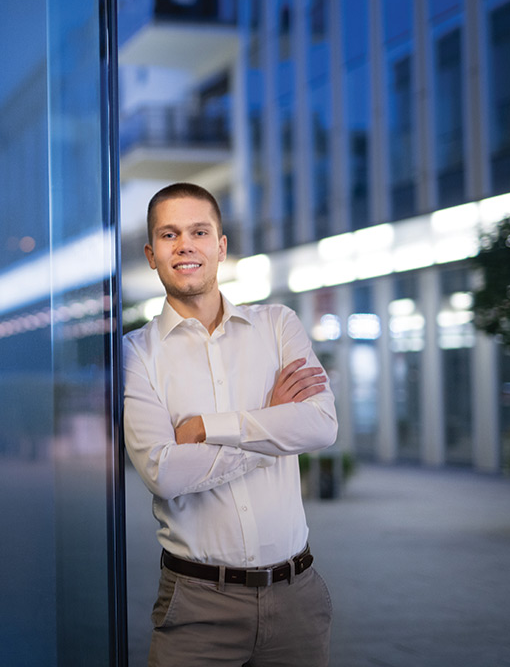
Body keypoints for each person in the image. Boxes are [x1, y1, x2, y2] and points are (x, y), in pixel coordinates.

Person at [123, 183, 338, 666]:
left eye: (200, 231)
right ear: (152, 254)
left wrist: (206, 427)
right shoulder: (133, 354)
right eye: (169, 234)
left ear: (221, 246)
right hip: (197, 608)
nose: (185, 245)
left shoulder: (277, 325)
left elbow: (321, 426)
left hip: (297, 598)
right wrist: (273, 428)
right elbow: (164, 474)